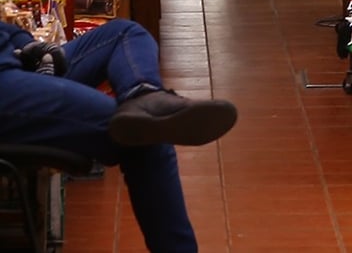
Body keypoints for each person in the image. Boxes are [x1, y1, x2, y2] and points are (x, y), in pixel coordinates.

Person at [0, 18, 237, 253]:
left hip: (14, 58)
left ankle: (143, 94)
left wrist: (26, 44)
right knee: (146, 131)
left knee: (125, 33)